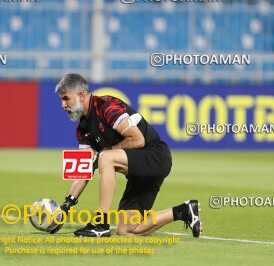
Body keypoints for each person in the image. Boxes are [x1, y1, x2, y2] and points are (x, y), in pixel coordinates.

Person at [51, 73, 202, 237]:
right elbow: (84, 170)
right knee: (126, 229)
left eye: (66, 98)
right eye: (61, 99)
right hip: (138, 173)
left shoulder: (106, 106)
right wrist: (66, 205)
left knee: (106, 157)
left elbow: (138, 139)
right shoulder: (82, 129)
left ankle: (101, 223)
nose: (63, 105)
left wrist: (107, 152)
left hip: (155, 157)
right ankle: (183, 211)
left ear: (81, 95)